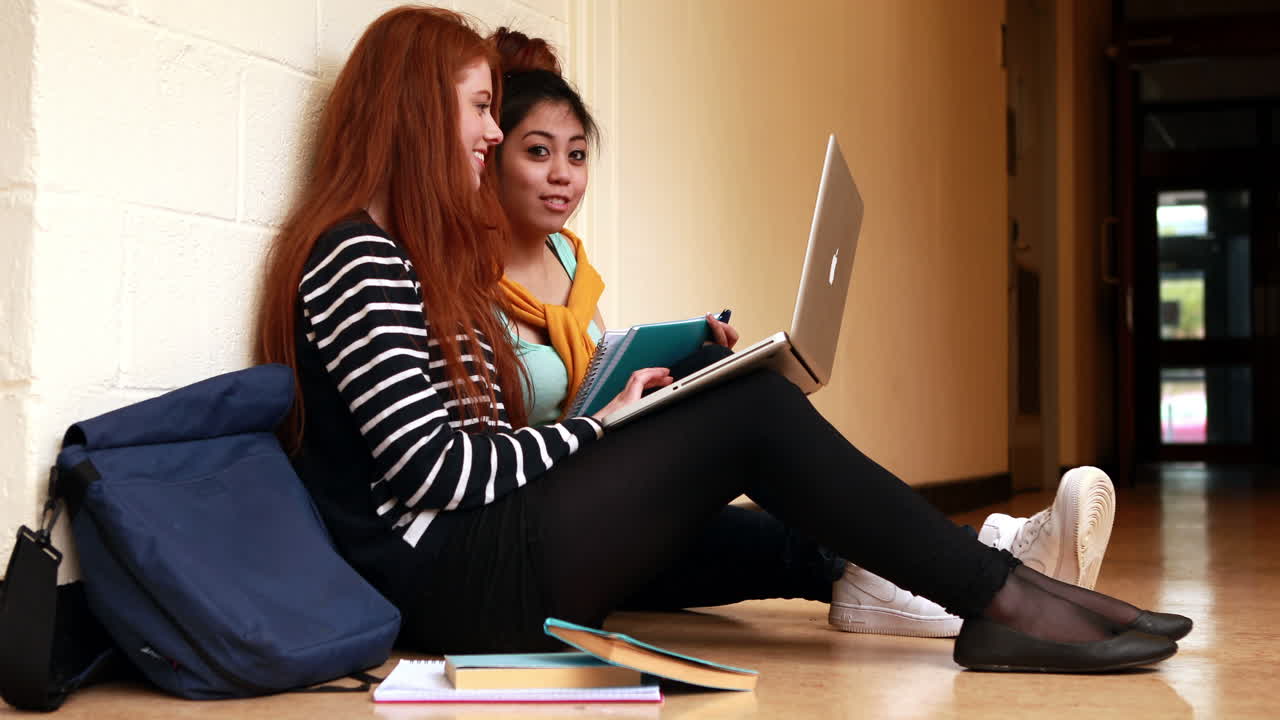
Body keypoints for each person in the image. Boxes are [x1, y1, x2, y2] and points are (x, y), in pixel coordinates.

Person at [255, 6, 1191, 673]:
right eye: (478, 110)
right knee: (750, 412)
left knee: (726, 513)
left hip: (469, 565)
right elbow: (441, 475)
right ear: (419, 113)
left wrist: (619, 421)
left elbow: (459, 455)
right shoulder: (358, 255)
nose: (492, 133)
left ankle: (940, 581)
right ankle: (1005, 598)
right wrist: (597, 430)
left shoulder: (394, 252)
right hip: (450, 585)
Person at [487, 27, 1120, 639]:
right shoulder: (459, 281)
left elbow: (595, 379)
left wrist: (676, 364)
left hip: (597, 489)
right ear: (490, 157)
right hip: (545, 515)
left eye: (575, 155)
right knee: (757, 436)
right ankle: (994, 566)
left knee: (793, 527)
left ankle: (975, 568)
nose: (563, 174)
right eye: (538, 152)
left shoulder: (569, 262)